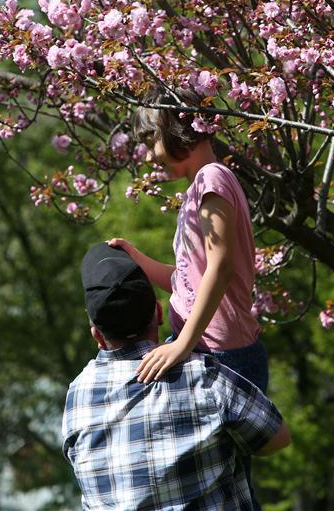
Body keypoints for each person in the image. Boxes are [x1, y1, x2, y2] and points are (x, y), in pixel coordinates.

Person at [62, 243, 290, 509]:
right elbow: (276, 437)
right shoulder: (202, 376)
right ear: (159, 313)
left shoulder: (77, 398)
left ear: (97, 336)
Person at [110, 90, 268, 391]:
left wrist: (182, 344)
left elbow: (221, 268)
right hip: (202, 345)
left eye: (150, 142)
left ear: (177, 130)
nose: (147, 156)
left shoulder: (213, 179)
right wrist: (136, 259)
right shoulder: (199, 188)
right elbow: (189, 281)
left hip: (224, 353)